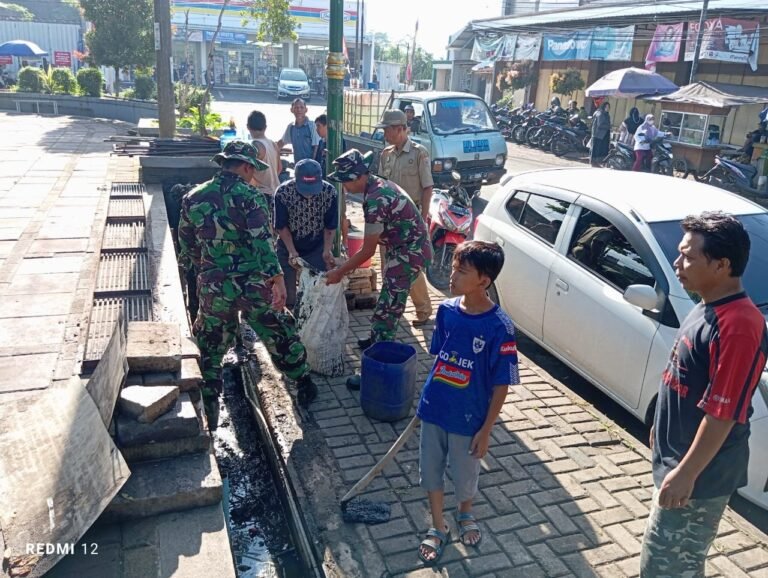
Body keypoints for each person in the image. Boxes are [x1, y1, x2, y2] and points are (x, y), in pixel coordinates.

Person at [641, 212, 767, 577]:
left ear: (722, 265)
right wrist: (660, 428)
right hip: (679, 462)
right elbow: (682, 375)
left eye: (688, 257)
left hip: (700, 476)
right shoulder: (706, 304)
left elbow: (722, 413)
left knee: (667, 567)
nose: (677, 263)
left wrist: (686, 473)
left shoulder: (740, 325)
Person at [178, 141, 318, 429]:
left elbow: (188, 246)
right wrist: (277, 280)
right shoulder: (251, 197)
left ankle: (209, 406)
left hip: (214, 287)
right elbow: (263, 243)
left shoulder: (193, 197)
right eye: (253, 168)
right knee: (279, 330)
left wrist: (203, 273)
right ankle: (303, 380)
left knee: (211, 342)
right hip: (254, 286)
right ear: (245, 166)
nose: (254, 174)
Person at [415, 240, 519, 564]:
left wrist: (486, 429)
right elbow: (439, 357)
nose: (452, 275)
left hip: (469, 416)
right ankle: (437, 525)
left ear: (484, 281)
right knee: (431, 470)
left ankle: (465, 513)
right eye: (454, 266)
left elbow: (502, 383)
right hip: (434, 407)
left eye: (462, 270)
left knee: (464, 473)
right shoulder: (446, 311)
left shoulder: (499, 327)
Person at [325, 149, 431, 387]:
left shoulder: (375, 198)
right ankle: (375, 338)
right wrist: (343, 264)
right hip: (402, 247)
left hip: (409, 253)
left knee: (388, 311)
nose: (343, 187)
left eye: (344, 182)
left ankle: (374, 369)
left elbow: (367, 251)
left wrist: (340, 272)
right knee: (387, 299)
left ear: (355, 177)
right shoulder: (375, 185)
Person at [377, 109, 434, 326]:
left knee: (411, 267)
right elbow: (381, 186)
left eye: (387, 129)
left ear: (399, 129)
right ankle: (392, 308)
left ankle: (423, 310)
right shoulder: (386, 154)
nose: (384, 134)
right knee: (387, 265)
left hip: (411, 219)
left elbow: (428, 188)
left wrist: (423, 218)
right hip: (389, 219)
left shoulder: (419, 153)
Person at [273, 158, 338, 311]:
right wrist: (292, 251)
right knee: (288, 293)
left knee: (316, 291)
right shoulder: (283, 193)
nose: (309, 194)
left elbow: (330, 226)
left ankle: (313, 324)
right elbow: (281, 227)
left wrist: (326, 251)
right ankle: (290, 324)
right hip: (288, 245)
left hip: (316, 246)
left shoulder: (329, 192)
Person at [246, 110, 281, 195]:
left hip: (262, 194)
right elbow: (279, 168)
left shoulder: (255, 145)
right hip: (276, 191)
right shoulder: (273, 144)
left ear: (248, 127)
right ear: (265, 127)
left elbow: (246, 172)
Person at [277, 98, 319, 164]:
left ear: (306, 110)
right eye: (296, 107)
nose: (299, 110)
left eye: (302, 107)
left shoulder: (312, 126)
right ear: (292, 110)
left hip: (311, 167)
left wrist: (311, 164)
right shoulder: (291, 127)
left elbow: (316, 147)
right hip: (298, 166)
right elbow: (281, 142)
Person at [590, 101, 611, 167]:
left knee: (599, 149)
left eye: (609, 107)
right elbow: (600, 124)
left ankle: (597, 162)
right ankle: (594, 162)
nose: (608, 108)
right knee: (596, 149)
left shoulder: (605, 113)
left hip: (602, 134)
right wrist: (609, 126)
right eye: (607, 107)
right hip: (598, 134)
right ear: (604, 106)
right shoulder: (600, 114)